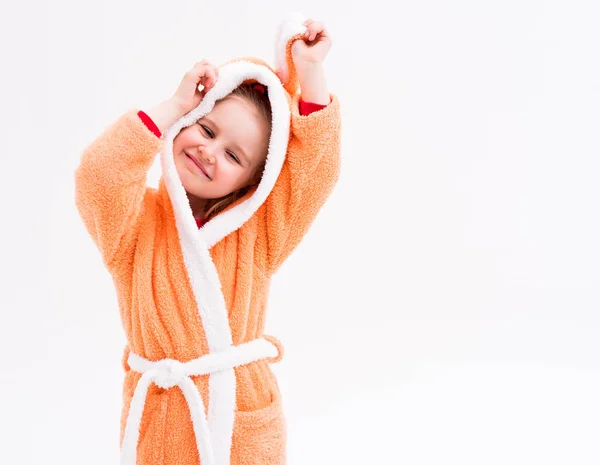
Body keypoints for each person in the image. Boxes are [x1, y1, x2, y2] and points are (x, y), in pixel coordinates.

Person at [74, 13, 340, 465]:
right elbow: (99, 176)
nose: (208, 152)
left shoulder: (261, 232)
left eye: (234, 155)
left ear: (254, 181)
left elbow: (313, 173)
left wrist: (310, 72)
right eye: (206, 129)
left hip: (241, 421)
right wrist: (175, 105)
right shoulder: (135, 225)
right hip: (163, 417)